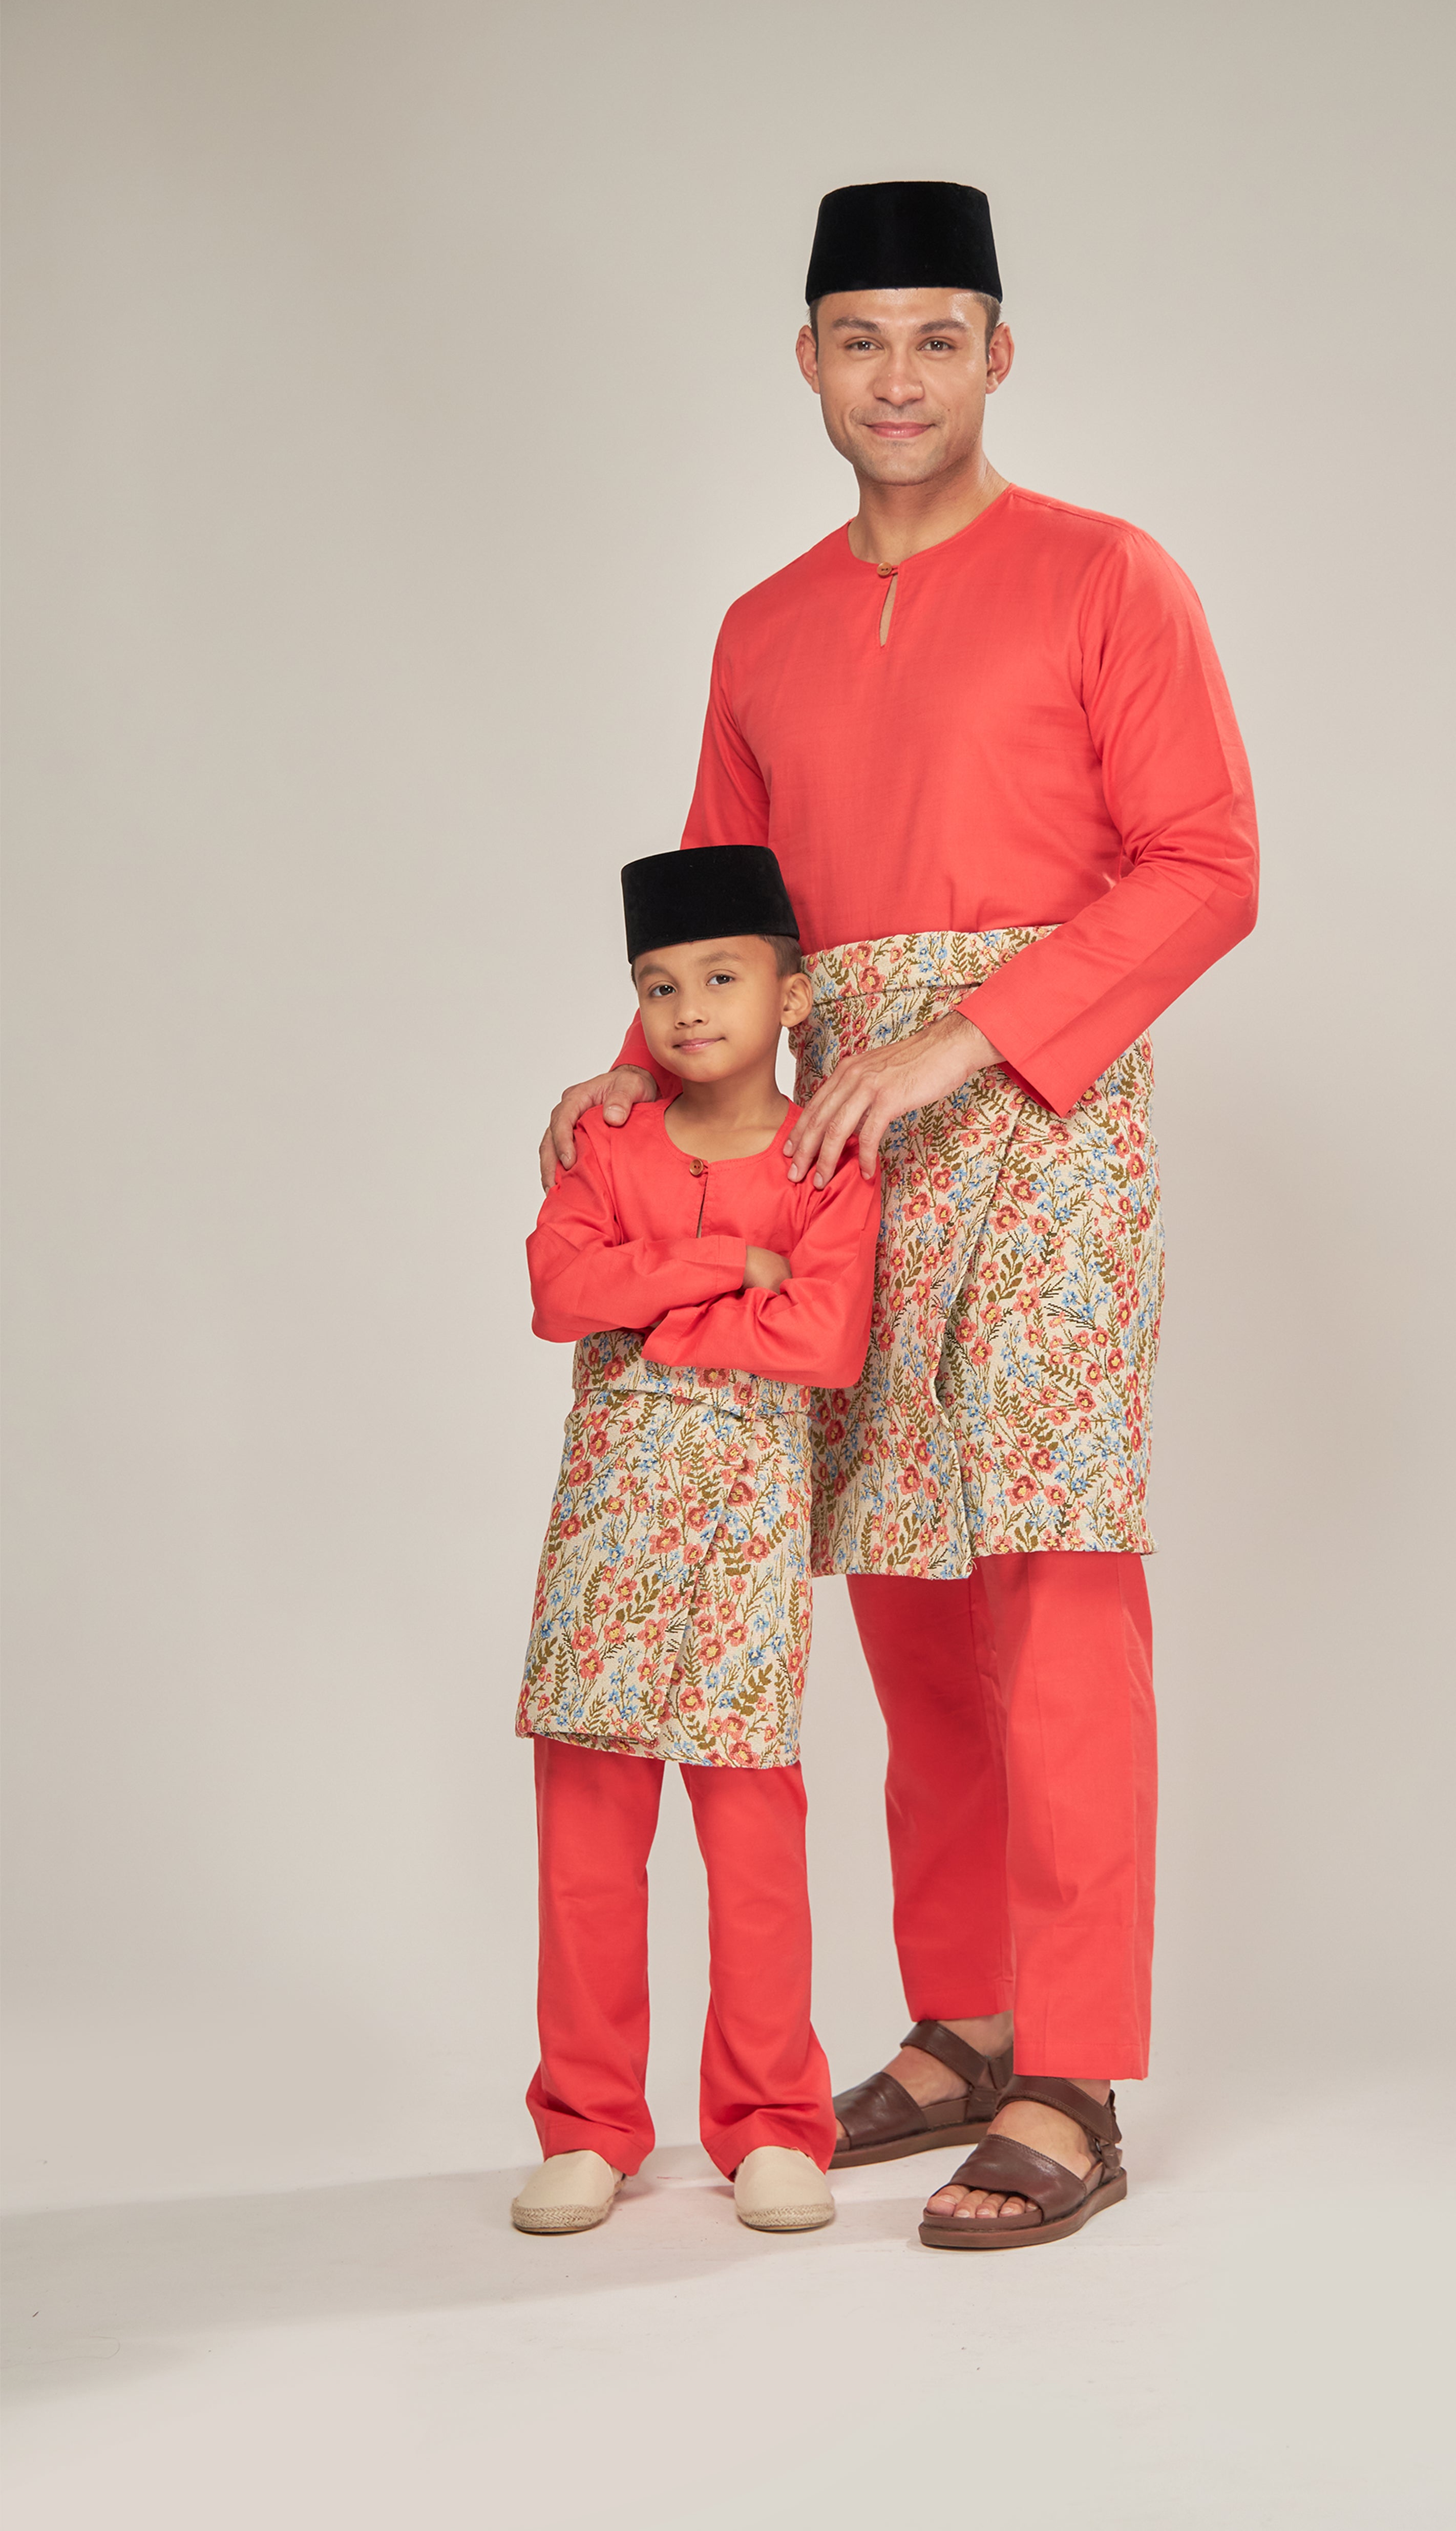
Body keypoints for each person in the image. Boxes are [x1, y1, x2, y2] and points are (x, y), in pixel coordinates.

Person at [540, 181, 1259, 2250]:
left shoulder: (1108, 575)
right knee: (899, 1584)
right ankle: (962, 2019)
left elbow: (1207, 863)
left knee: (1053, 1572)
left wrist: (970, 1037)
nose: (900, 375)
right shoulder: (761, 624)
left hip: (1039, 1122)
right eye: (861, 337)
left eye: (940, 335)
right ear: (808, 360)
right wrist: (635, 1063)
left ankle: (1073, 2068)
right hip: (830, 1145)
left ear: (998, 355)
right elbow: (725, 906)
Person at [512, 843, 880, 2238]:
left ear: (793, 996)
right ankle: (589, 2124)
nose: (688, 1009)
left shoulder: (825, 1159)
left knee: (754, 1845)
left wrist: (649, 1312)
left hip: (743, 1536)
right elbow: (559, 1292)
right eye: (658, 985)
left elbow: (825, 1341)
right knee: (587, 1847)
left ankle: (773, 2124)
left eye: (722, 978)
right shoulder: (603, 1145)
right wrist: (728, 1265)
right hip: (608, 1530)